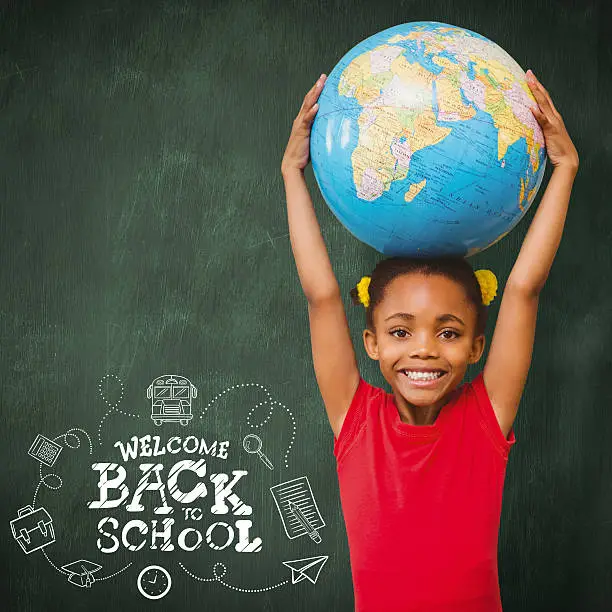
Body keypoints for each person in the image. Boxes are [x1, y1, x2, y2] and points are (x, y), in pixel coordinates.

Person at [281, 70, 579, 612]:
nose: (423, 349)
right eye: (400, 331)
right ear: (371, 342)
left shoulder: (485, 420)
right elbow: (322, 296)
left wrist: (564, 169)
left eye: (448, 332)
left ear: (476, 347)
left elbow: (523, 290)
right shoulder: (356, 420)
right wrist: (290, 175)